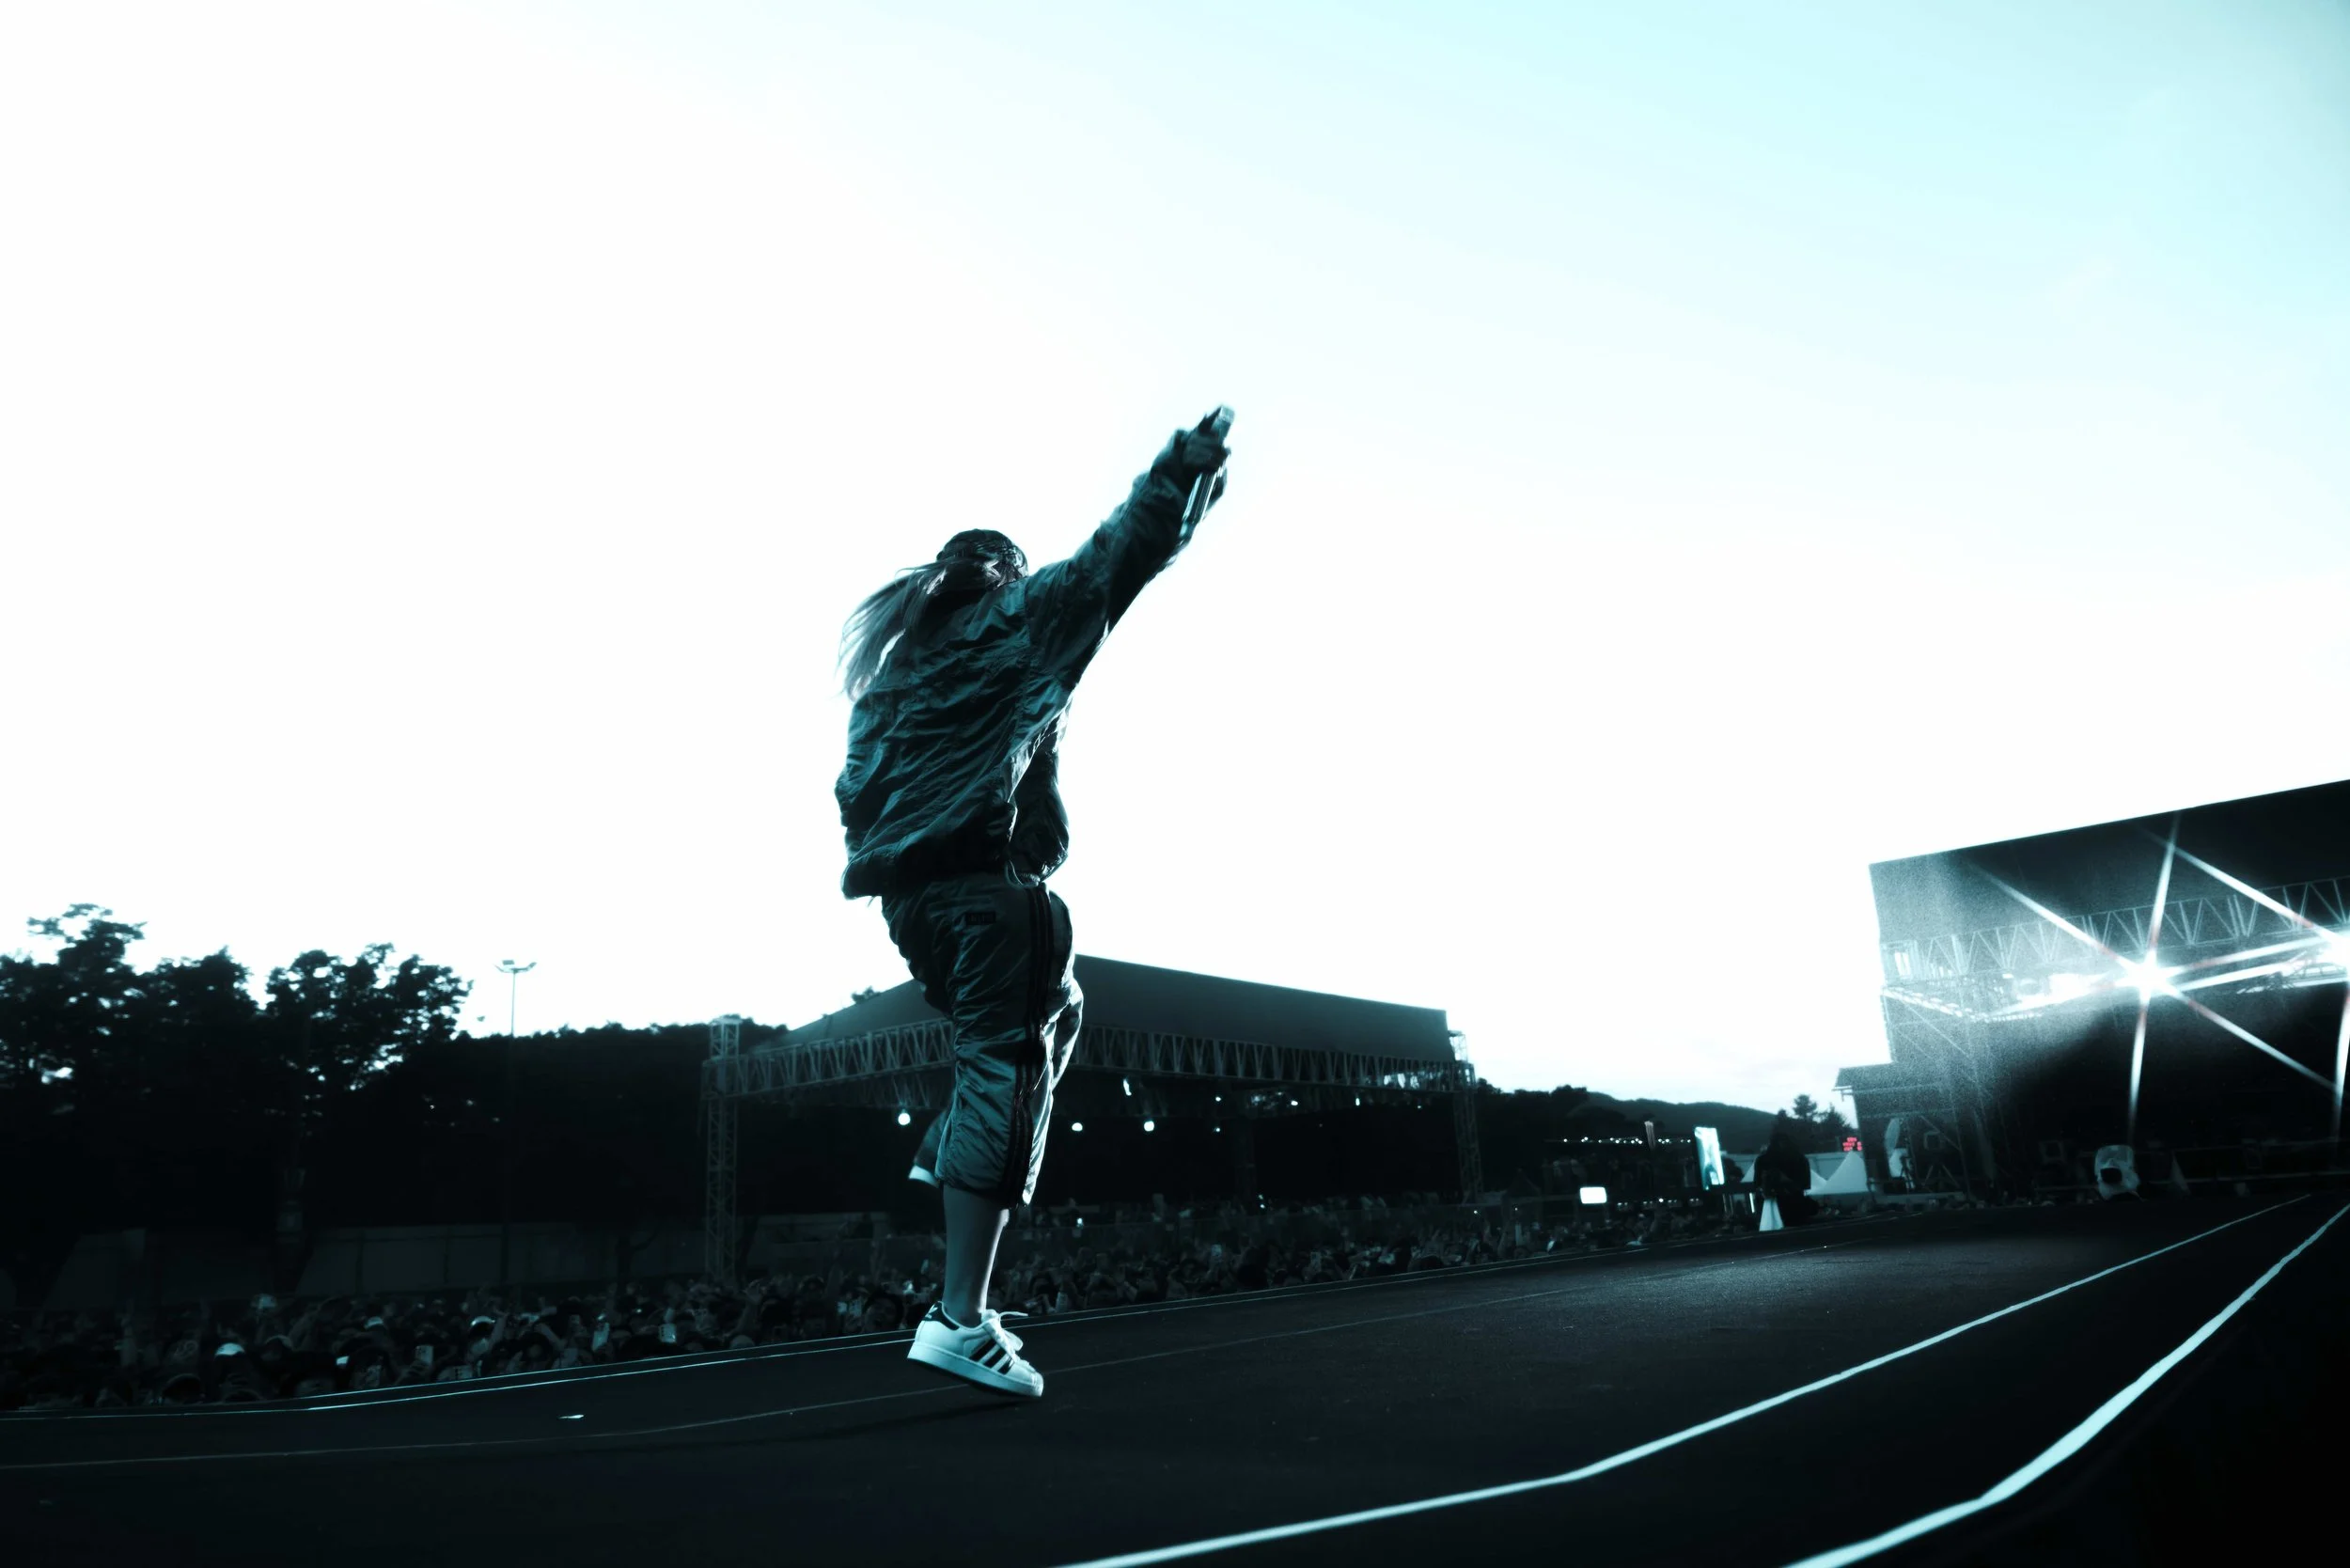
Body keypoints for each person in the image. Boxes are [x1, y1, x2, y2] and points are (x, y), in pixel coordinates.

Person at [834, 408, 1234, 1397]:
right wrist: (1182, 472)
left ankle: (946, 1159)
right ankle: (958, 1317)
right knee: (1008, 1069)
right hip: (984, 894)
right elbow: (1113, 562)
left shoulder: (888, 678)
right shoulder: (1010, 622)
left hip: (912, 907)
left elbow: (856, 796)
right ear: (1003, 581)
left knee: (1056, 1015)